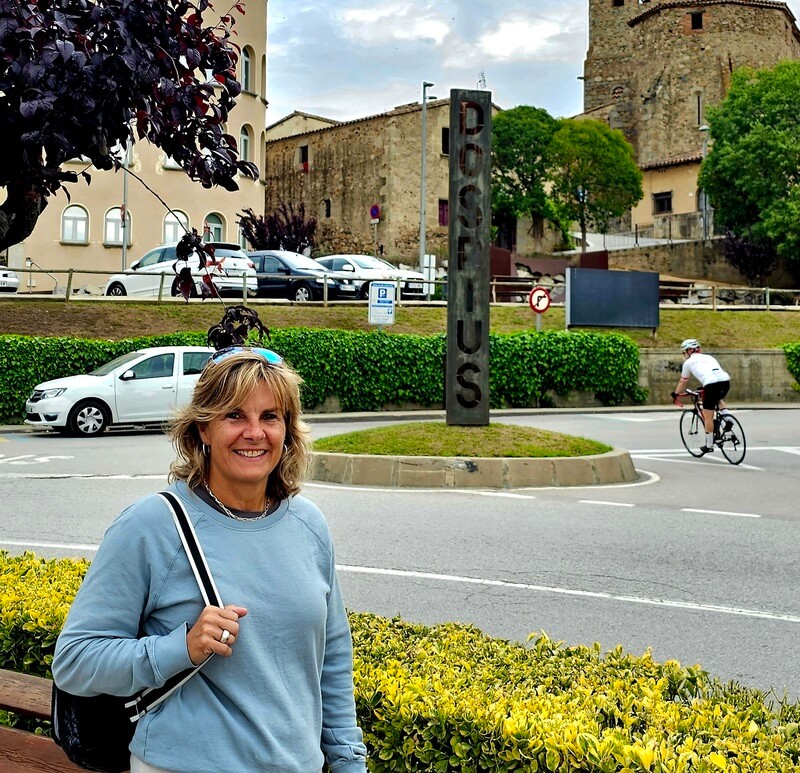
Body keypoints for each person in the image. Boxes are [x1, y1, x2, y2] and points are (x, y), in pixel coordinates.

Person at [53, 345, 368, 773]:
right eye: (234, 415)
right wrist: (180, 647)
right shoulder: (151, 525)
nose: (254, 432)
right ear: (202, 428)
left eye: (270, 416)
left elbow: (332, 660)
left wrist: (350, 763)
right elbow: (75, 661)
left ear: (288, 431)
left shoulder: (308, 524)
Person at [671, 338, 733, 455]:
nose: (684, 355)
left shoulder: (688, 363)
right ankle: (728, 417)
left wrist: (676, 394)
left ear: (689, 351)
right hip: (725, 381)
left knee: (708, 416)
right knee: (717, 399)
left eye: (684, 352)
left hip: (710, 384)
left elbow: (683, 382)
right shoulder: (709, 357)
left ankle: (709, 445)